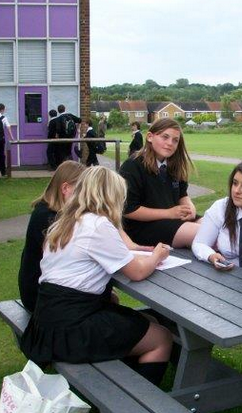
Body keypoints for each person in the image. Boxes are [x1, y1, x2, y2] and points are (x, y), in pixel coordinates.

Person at [20, 166, 174, 387]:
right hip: (72, 328)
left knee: (146, 321)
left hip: (45, 321)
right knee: (161, 337)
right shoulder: (98, 225)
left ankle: (125, 382)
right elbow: (137, 272)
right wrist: (158, 254)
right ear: (112, 197)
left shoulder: (65, 221)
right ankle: (134, 409)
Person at [119, 118, 201, 248]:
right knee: (202, 233)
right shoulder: (132, 166)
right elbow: (128, 210)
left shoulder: (174, 165)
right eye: (165, 137)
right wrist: (169, 213)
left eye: (175, 140)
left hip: (171, 219)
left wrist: (190, 209)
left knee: (210, 226)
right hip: (142, 228)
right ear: (150, 137)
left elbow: (182, 195)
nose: (170, 143)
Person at [19, 161, 86, 311]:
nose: (85, 197)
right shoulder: (47, 217)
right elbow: (69, 257)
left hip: (48, 290)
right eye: (81, 190)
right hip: (39, 296)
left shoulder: (54, 211)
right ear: (65, 188)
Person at [192, 160, 242, 270]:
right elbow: (199, 243)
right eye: (235, 183)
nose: (236, 190)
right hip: (229, 277)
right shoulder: (221, 208)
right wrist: (211, 256)